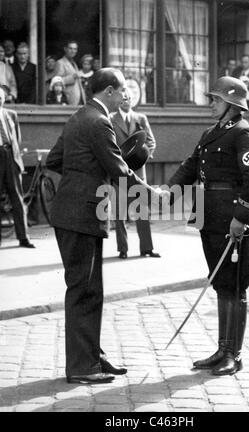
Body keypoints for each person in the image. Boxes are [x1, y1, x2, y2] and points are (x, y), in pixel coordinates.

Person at [46, 67, 162, 384]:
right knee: (84, 291)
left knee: (90, 290)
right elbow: (120, 170)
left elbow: (55, 160)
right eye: (122, 89)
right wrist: (152, 195)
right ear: (108, 91)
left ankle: (91, 356)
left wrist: (81, 177)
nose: (126, 95)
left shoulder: (79, 117)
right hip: (82, 217)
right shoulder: (99, 122)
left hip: (75, 215)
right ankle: (82, 367)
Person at [166, 76, 249, 375]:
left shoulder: (242, 133)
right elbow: (191, 165)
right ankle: (222, 349)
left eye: (217, 99)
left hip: (232, 219)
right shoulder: (211, 132)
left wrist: (241, 218)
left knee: (235, 285)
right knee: (222, 283)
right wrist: (168, 192)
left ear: (232, 105)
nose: (211, 103)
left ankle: (233, 354)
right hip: (209, 217)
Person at [110, 90, 160, 259]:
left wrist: (144, 155)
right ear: (118, 101)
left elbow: (151, 141)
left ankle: (147, 249)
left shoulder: (141, 118)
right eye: (123, 99)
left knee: (142, 212)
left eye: (129, 98)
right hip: (119, 171)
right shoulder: (110, 119)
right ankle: (122, 249)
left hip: (138, 172)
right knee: (119, 213)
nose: (127, 101)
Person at [0, 87, 35, 248]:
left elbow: (17, 139)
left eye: (1, 97)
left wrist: (15, 158)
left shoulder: (11, 115)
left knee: (18, 198)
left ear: (5, 98)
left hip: (11, 157)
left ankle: (23, 237)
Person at [54, 40, 86, 106]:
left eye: (75, 49)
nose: (73, 51)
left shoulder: (74, 63)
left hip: (79, 100)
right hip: (69, 100)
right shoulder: (60, 62)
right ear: (65, 49)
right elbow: (57, 82)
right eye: (70, 48)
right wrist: (73, 77)